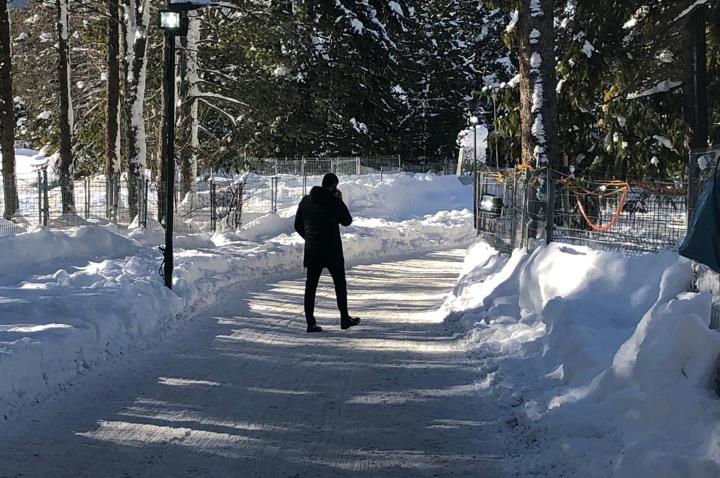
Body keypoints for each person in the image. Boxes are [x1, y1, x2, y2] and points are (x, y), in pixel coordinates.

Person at [294, 173, 361, 333]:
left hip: (312, 250)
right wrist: (339, 200)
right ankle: (344, 319)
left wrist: (310, 238)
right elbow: (347, 220)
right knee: (339, 284)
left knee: (311, 287)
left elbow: (297, 225)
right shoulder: (332, 200)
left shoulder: (305, 201)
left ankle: (310, 323)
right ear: (334, 186)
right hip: (332, 250)